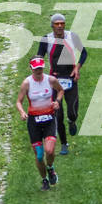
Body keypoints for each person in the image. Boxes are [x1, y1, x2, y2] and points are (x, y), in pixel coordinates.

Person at [36, 12, 88, 155]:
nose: (59, 26)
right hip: (54, 80)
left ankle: (72, 121)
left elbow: (84, 53)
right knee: (57, 115)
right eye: (57, 24)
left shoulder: (72, 37)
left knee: (72, 110)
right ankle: (64, 144)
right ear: (52, 26)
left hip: (71, 78)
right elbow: (40, 57)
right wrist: (39, 74)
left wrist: (77, 68)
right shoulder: (46, 39)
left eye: (62, 24)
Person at [16, 56, 64, 190]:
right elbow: (18, 101)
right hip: (34, 122)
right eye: (36, 69)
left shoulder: (50, 80)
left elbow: (60, 90)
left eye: (40, 68)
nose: (38, 71)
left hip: (49, 119)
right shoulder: (27, 83)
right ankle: (44, 180)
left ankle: (50, 168)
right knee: (39, 155)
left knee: (49, 150)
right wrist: (22, 112)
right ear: (31, 68)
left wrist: (57, 102)